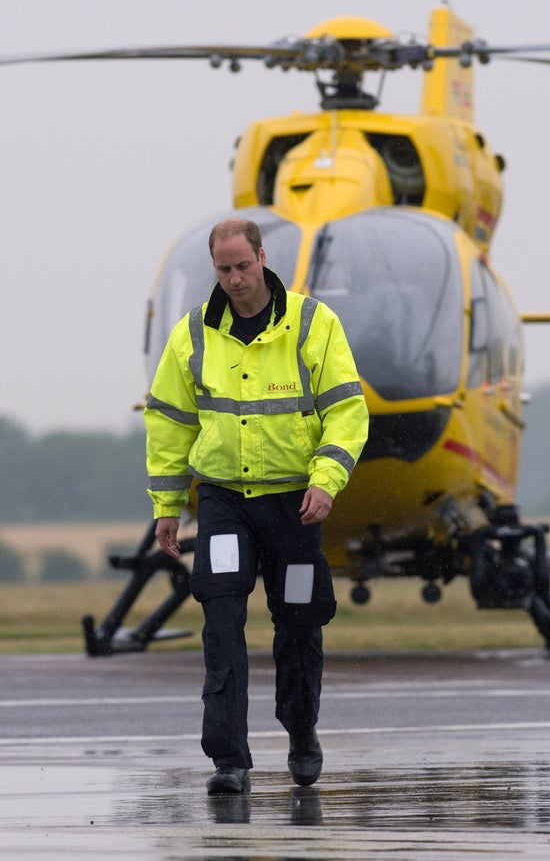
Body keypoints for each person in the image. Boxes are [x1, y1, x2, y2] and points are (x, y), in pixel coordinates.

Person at [144, 217, 369, 796]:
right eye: (223, 269)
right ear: (213, 269)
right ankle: (229, 761)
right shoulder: (191, 334)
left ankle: (301, 732)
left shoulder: (315, 325)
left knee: (298, 623)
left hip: (295, 504)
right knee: (221, 619)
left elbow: (347, 412)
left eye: (243, 266)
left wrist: (327, 478)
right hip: (223, 501)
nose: (235, 278)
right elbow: (168, 424)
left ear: (263, 258)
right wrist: (167, 504)